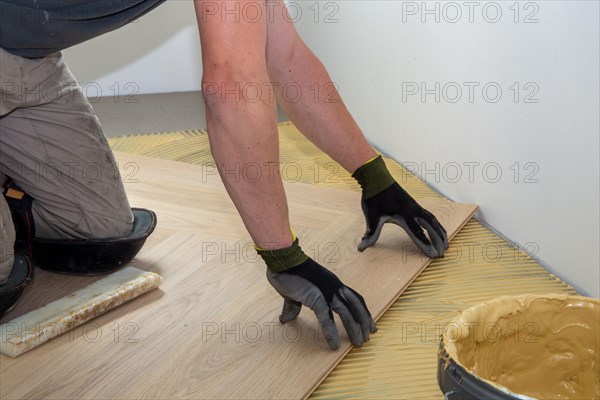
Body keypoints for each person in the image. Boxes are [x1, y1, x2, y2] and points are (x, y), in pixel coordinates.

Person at [0, 0, 448, 349]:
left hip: (26, 61)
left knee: (98, 237)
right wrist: (284, 258)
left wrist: (375, 180)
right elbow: (230, 86)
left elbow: (284, 55)